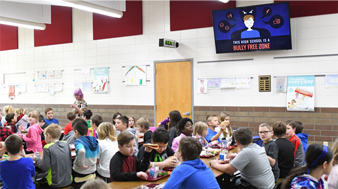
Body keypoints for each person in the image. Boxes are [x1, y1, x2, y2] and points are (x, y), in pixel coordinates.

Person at [210, 127, 275, 189]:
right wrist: (237, 156)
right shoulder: (256, 147)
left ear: (237, 142)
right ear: (251, 139)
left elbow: (229, 170)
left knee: (223, 185)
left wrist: (215, 164)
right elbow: (251, 157)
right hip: (268, 184)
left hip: (256, 186)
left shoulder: (246, 152)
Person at [34, 124, 72, 188]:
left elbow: (44, 167)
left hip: (55, 182)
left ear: (48, 135)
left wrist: (36, 158)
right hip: (69, 180)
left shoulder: (47, 147)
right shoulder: (66, 144)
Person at [72, 118, 99, 184]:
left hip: (81, 172)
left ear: (76, 132)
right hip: (93, 170)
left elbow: (81, 151)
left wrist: (81, 165)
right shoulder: (94, 139)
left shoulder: (78, 141)